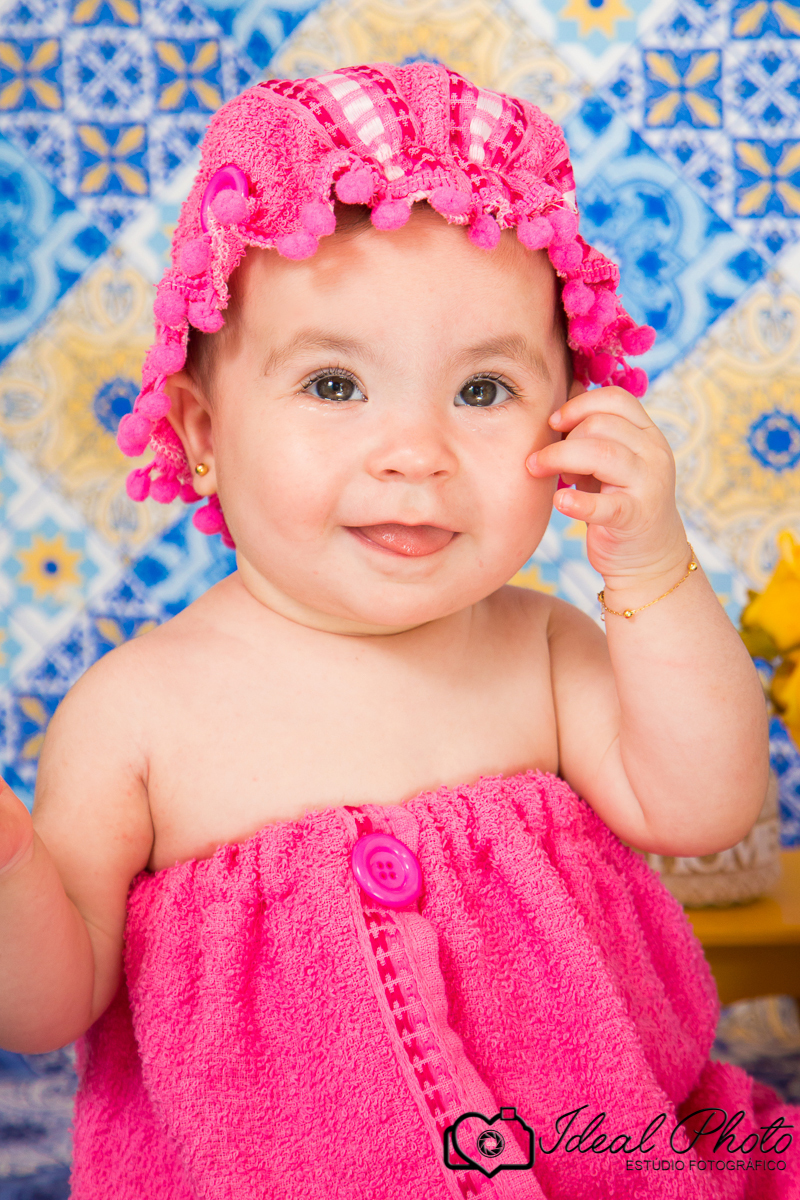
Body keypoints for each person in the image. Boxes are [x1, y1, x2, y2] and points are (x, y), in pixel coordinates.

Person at [0, 63, 795, 1199]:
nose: (413, 450)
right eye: (333, 385)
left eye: (481, 393)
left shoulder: (543, 648)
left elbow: (706, 802)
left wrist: (653, 572)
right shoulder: (137, 714)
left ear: (567, 411)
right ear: (203, 426)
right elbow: (44, 1004)